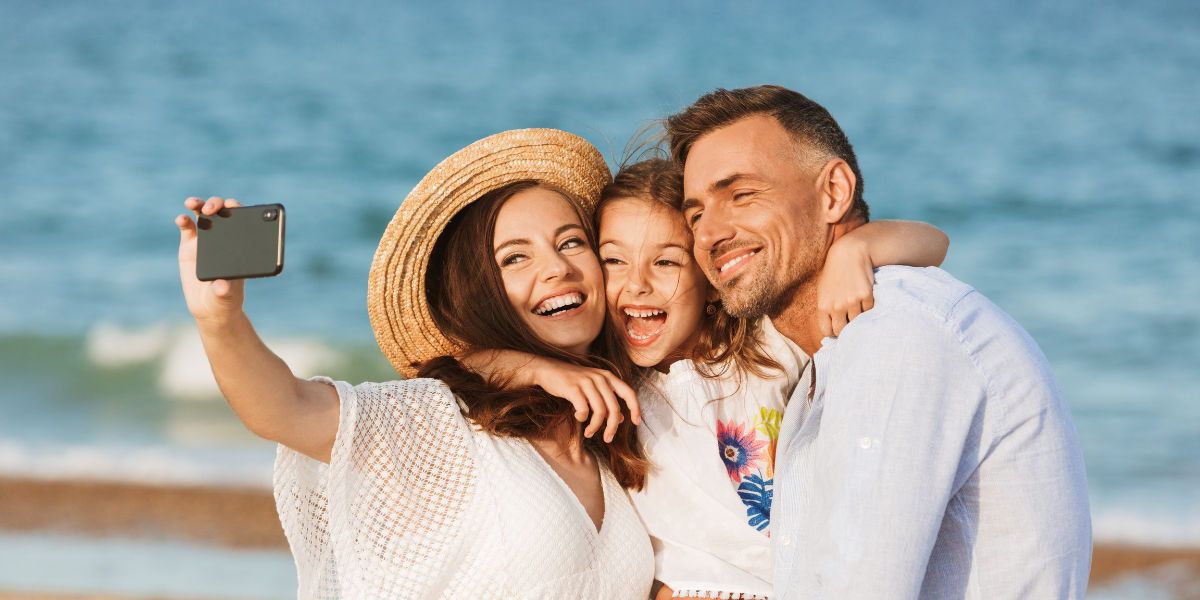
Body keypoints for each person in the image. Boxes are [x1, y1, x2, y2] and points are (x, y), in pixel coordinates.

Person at [174, 129, 655, 599]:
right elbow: (286, 408)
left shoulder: (620, 435)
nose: (557, 268)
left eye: (571, 242)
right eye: (514, 258)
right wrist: (220, 320)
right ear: (479, 292)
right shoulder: (445, 423)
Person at [666, 85, 1093, 598]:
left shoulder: (894, 334)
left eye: (742, 194)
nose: (709, 233)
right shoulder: (833, 354)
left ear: (833, 193)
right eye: (695, 215)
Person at [478, 157, 949, 600]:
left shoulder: (765, 349)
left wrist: (856, 248)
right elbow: (462, 364)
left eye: (666, 262)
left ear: (710, 280)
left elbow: (934, 242)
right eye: (614, 261)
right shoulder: (610, 387)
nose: (638, 283)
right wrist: (540, 368)